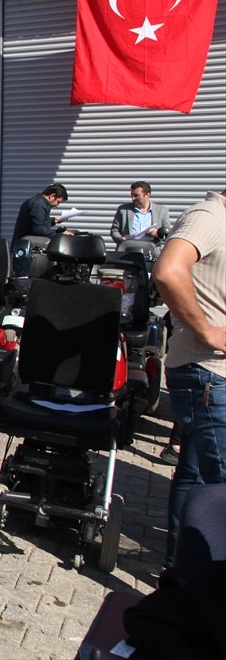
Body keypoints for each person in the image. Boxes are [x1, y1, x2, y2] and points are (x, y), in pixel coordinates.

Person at [152, 189, 226, 570]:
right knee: (218, 489)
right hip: (209, 372)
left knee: (194, 476)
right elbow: (167, 270)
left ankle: (178, 574)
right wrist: (207, 330)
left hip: (210, 374)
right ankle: (197, 584)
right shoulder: (211, 216)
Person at [110, 180, 171, 246]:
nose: (133, 198)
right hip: (129, 249)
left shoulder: (161, 211)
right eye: (132, 195)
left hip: (151, 250)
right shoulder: (123, 210)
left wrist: (158, 233)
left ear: (147, 195)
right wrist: (121, 240)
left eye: (136, 195)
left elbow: (168, 233)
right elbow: (114, 230)